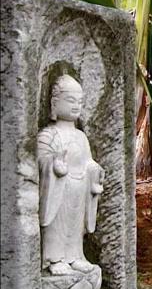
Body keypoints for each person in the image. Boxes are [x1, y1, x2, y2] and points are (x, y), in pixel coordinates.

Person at [37, 74, 103, 275]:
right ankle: (55, 258)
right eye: (71, 100)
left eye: (80, 102)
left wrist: (94, 172)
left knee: (75, 226)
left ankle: (75, 256)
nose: (76, 106)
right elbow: (40, 161)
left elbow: (88, 162)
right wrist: (54, 165)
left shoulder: (81, 137)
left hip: (79, 189)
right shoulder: (48, 134)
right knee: (57, 223)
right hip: (58, 190)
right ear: (55, 103)